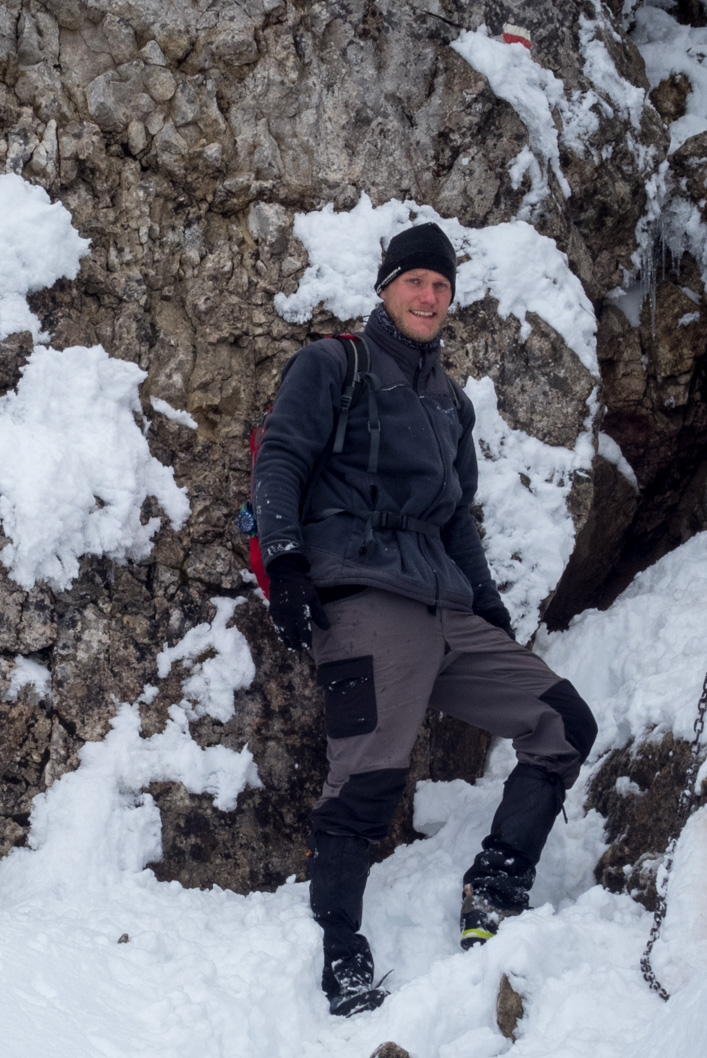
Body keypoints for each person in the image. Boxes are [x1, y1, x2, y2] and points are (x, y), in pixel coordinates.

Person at [252, 222, 597, 1017]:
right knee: (367, 779)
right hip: (364, 598)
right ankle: (340, 946)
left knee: (564, 723)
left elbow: (456, 521)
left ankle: (496, 882)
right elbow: (283, 459)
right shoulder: (331, 364)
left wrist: (492, 613)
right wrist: (288, 566)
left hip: (446, 605)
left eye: (441, 287)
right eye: (415, 282)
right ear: (386, 288)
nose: (429, 296)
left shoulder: (451, 403)